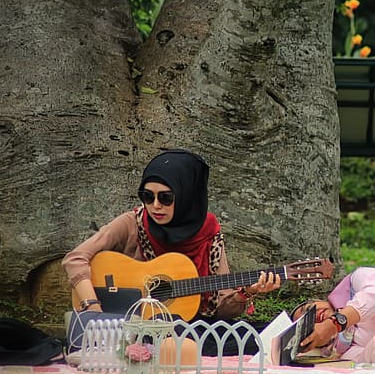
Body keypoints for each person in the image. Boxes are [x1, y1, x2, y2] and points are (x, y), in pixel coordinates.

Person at [62, 149, 281, 354]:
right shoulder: (133, 223)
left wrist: (247, 292)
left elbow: (222, 312)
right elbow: (75, 259)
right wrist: (96, 312)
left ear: (187, 196)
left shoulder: (209, 234)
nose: (155, 205)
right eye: (147, 196)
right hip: (135, 325)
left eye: (166, 198)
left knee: (252, 332)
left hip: (190, 326)